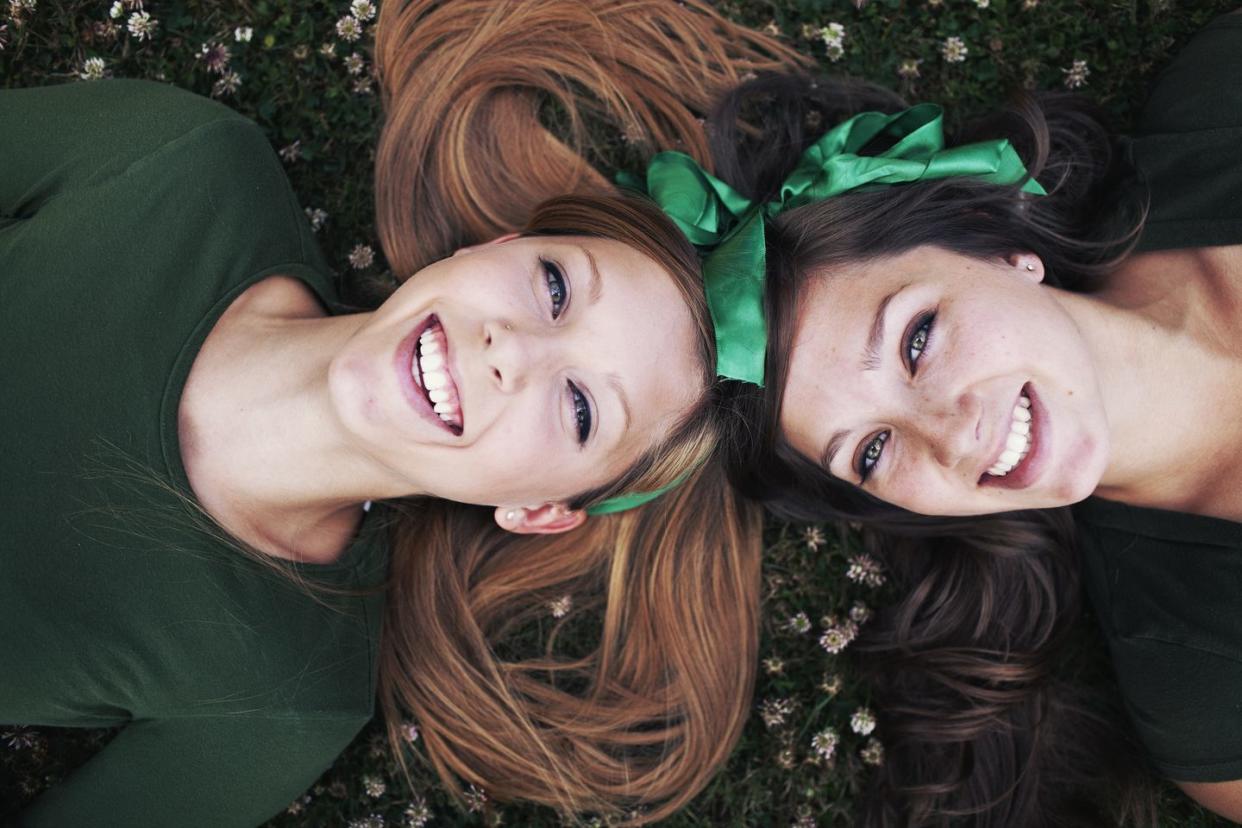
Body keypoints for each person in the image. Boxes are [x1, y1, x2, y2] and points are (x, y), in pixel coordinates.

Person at [0, 1, 802, 825]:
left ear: (536, 512)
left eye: (580, 408)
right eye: (555, 288)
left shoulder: (286, 697)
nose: (514, 350)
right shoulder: (184, 166)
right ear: (495, 247)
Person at [643, 10, 1242, 827]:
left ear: (1001, 247)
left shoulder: (1224, 105)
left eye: (917, 340)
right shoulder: (1206, 690)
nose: (948, 434)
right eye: (874, 451)